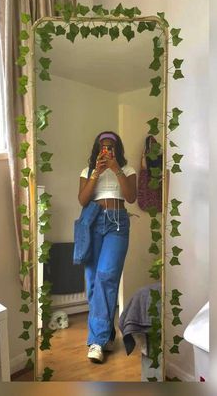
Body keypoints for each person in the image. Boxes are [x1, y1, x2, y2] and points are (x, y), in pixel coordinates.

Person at [78, 131, 137, 363]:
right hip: (92, 221)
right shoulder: (87, 172)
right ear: (97, 149)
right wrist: (96, 173)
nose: (106, 150)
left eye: (110, 147)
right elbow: (82, 200)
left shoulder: (128, 170)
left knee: (106, 276)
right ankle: (107, 334)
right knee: (93, 281)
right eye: (103, 146)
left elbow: (131, 197)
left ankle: (96, 342)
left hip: (118, 223)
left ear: (116, 149)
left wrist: (116, 169)